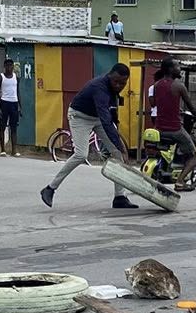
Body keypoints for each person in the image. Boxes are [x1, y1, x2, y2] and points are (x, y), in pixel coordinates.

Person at [41, 63, 139, 210]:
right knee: (81, 154)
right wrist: (122, 147)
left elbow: (111, 116)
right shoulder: (99, 87)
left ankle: (120, 197)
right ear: (109, 76)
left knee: (117, 154)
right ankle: (50, 188)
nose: (119, 85)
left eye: (123, 83)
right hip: (79, 116)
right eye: (116, 81)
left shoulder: (113, 89)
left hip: (98, 118)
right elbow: (106, 121)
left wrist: (120, 147)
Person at [152, 58, 196, 174]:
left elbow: (163, 104)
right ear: (171, 69)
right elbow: (192, 108)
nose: (180, 69)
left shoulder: (157, 85)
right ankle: (180, 182)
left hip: (159, 128)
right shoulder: (179, 86)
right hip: (174, 129)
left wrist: (178, 110)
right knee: (195, 156)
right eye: (177, 66)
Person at [0, 57, 23, 155]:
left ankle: (14, 150)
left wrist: (20, 106)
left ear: (13, 66)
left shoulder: (16, 77)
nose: (9, 67)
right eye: (7, 65)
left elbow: (18, 91)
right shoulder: (0, 77)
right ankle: (3, 149)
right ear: (4, 66)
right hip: (4, 102)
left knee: (14, 127)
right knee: (2, 126)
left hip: (14, 103)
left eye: (10, 65)